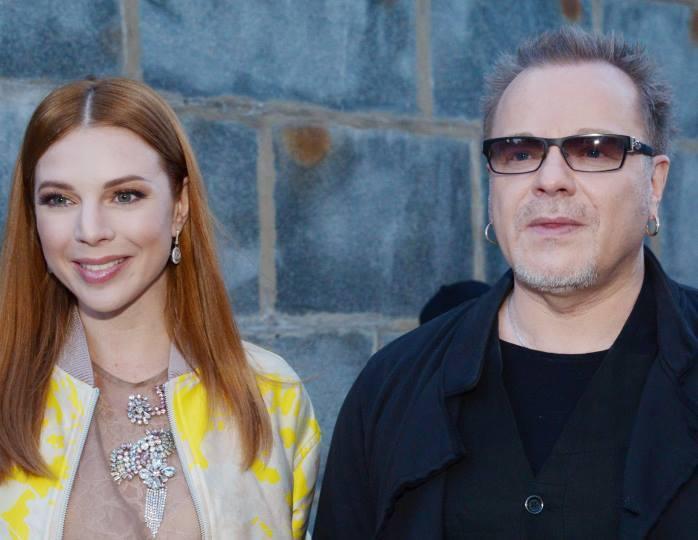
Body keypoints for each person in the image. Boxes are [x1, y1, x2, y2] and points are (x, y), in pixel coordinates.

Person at [314, 26, 697, 539]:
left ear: (654, 183)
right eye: (519, 153)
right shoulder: (391, 389)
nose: (550, 179)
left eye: (593, 150)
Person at [0, 78, 320, 539]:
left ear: (179, 207)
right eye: (59, 199)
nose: (90, 230)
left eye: (124, 195)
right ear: (33, 217)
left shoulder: (271, 395)